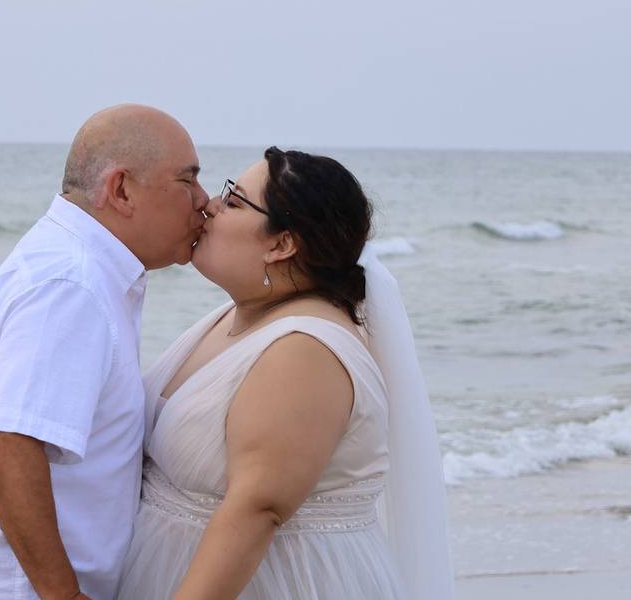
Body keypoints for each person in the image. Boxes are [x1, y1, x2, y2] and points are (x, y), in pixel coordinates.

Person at [0, 104, 209, 600]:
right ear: (121, 189)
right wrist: (63, 595)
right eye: (187, 181)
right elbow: (7, 445)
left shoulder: (82, 271)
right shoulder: (71, 283)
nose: (204, 201)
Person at [117, 147, 454, 599]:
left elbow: (258, 508)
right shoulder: (235, 316)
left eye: (234, 201)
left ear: (281, 244)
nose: (209, 206)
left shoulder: (304, 349)